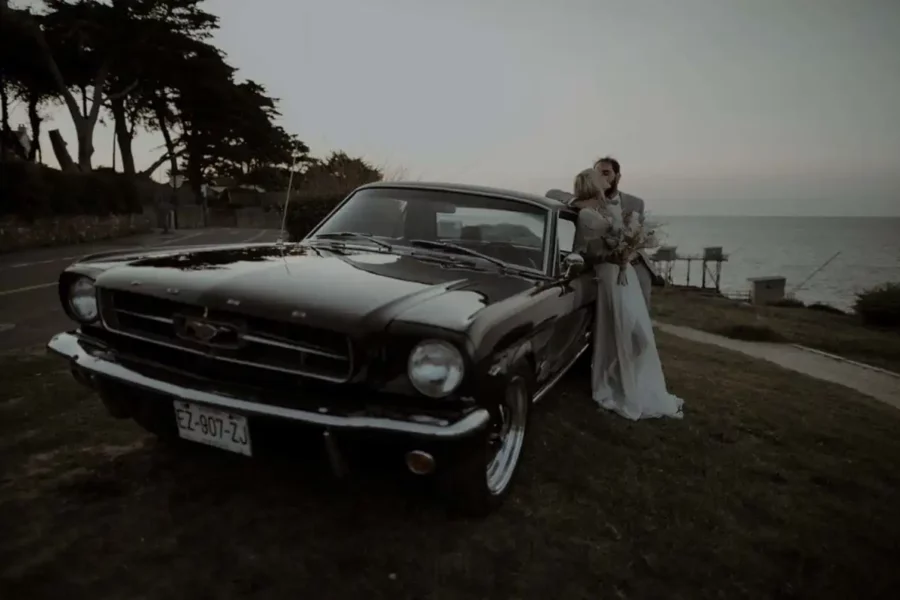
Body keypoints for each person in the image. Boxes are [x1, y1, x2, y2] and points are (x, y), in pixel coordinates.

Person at [571, 168, 684, 421]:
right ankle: (616, 381)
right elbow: (586, 250)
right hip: (609, 276)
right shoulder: (586, 213)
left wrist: (629, 247)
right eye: (601, 177)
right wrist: (615, 252)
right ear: (591, 183)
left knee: (638, 333)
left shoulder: (604, 208)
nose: (606, 180)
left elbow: (619, 236)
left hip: (624, 274)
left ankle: (628, 378)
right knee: (621, 331)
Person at [593, 157, 656, 308]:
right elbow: (553, 194)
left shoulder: (636, 203)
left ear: (618, 177)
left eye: (606, 173)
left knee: (640, 314)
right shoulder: (588, 204)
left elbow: (639, 235)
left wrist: (629, 254)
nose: (601, 178)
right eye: (597, 174)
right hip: (606, 269)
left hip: (637, 266)